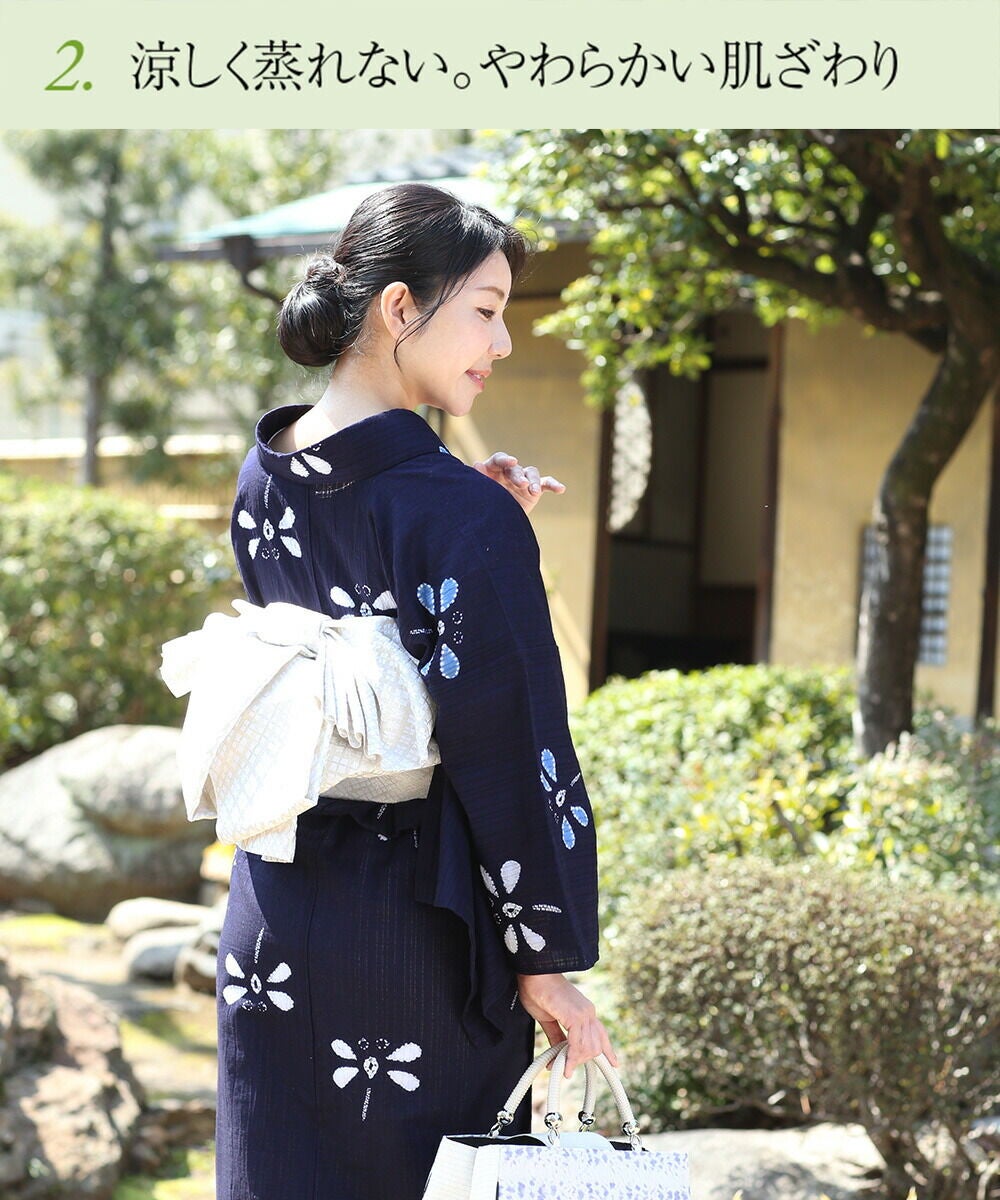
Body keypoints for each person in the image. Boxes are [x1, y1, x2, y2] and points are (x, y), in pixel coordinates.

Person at [216, 180, 617, 1200]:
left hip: (277, 911)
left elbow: (362, 583)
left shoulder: (266, 475)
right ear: (401, 308)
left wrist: (473, 527)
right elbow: (512, 746)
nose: (503, 342)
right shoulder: (455, 514)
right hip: (414, 937)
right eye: (485, 310)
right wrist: (543, 959)